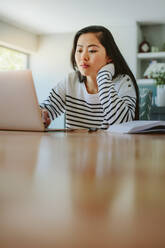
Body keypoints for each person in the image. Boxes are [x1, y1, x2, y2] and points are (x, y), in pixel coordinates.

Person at [41, 25, 139, 130]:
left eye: (92, 51)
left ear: (109, 56)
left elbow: (124, 125)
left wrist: (103, 78)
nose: (83, 57)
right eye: (79, 50)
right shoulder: (70, 81)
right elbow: (46, 109)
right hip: (74, 146)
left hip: (110, 146)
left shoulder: (123, 82)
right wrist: (42, 114)